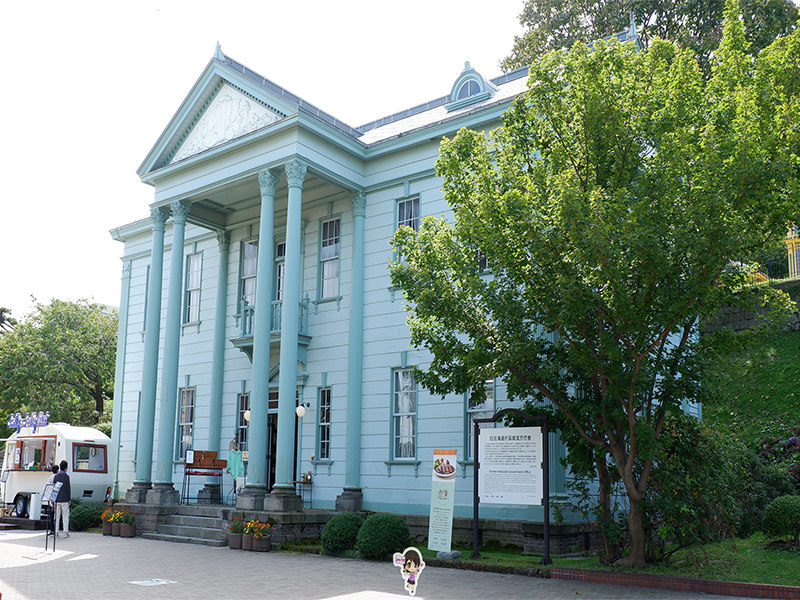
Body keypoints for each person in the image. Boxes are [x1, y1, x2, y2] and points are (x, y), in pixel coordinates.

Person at [53, 460, 71, 538]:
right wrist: (69, 499)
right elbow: (68, 488)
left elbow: (53, 488)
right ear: (66, 468)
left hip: (57, 499)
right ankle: (65, 532)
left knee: (57, 516)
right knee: (65, 515)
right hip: (64, 499)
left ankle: (56, 532)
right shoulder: (66, 477)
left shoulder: (56, 477)